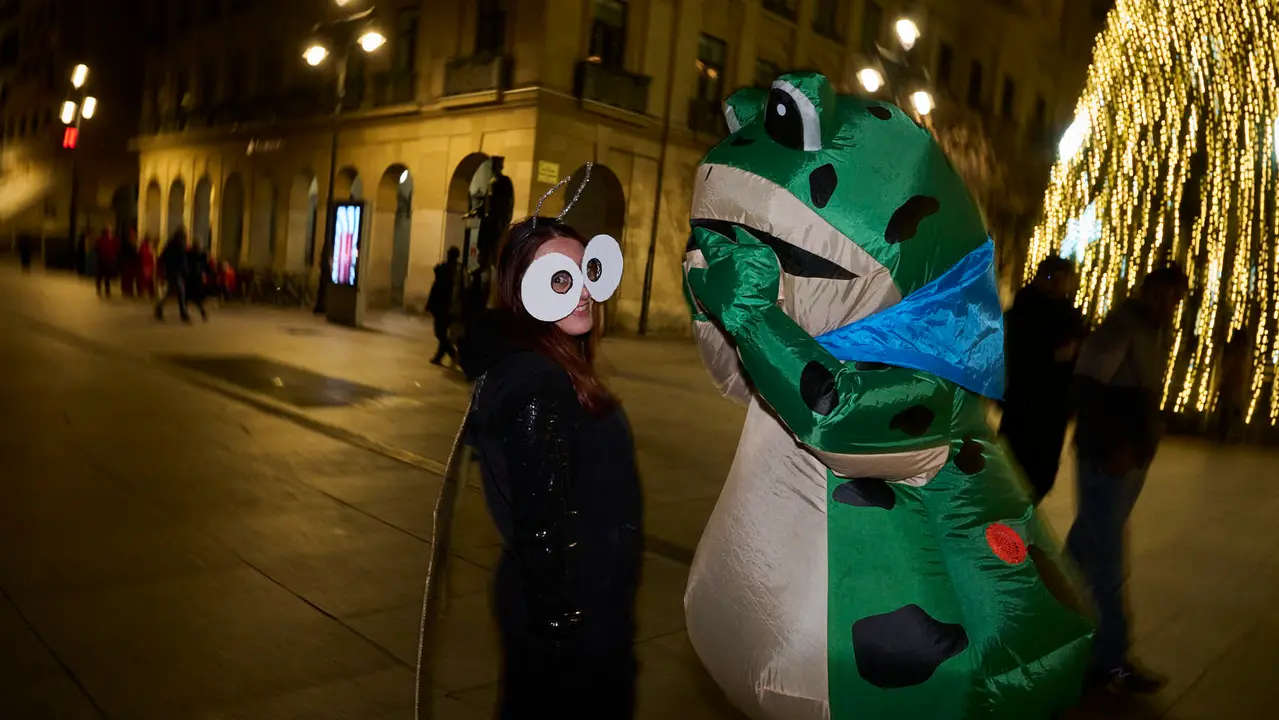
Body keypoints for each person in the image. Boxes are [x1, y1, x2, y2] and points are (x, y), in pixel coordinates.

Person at [458, 214, 642, 719]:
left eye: (586, 271)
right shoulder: (539, 386)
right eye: (559, 278)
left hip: (572, 613)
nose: (580, 290)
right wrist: (572, 646)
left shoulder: (541, 369)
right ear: (522, 291)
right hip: (570, 627)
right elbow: (542, 534)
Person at [1068, 262, 1189, 695]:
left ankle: (1045, 624)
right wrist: (1111, 446)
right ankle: (1113, 659)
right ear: (1147, 290)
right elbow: (1088, 385)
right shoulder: (1123, 326)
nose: (1168, 305)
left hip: (1127, 457)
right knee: (1106, 560)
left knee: (1085, 549)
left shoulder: (1152, 330)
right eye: (1163, 295)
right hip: (1111, 459)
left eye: (1175, 299)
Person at [1000, 255, 1087, 502]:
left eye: (1064, 279)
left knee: (1041, 472)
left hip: (1054, 407)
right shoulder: (1024, 311)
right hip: (1025, 402)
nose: (1058, 285)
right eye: (1052, 278)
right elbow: (1017, 353)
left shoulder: (1069, 314)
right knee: (1016, 469)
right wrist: (1051, 355)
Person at [426, 247, 461, 366]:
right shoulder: (455, 269)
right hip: (445, 305)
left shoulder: (449, 269)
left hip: (444, 306)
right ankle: (440, 356)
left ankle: (452, 353)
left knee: (440, 333)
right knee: (442, 332)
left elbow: (439, 285)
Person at [154, 228, 191, 322]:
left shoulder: (170, 244)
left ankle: (159, 308)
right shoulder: (180, 245)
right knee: (181, 292)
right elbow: (183, 261)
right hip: (176, 272)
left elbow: (162, 257)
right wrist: (186, 272)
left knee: (171, 292)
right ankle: (183, 313)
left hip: (170, 271)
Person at [185, 240, 211, 321]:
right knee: (191, 298)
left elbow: (205, 266)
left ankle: (200, 312)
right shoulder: (198, 255)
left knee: (189, 297)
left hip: (193, 278)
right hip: (194, 278)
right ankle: (201, 312)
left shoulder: (192, 254)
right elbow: (206, 266)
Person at [94, 226, 119, 298]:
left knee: (101, 276)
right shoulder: (110, 240)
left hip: (103, 260)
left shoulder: (100, 240)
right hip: (106, 260)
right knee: (105, 276)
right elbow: (116, 248)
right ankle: (106, 290)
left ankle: (102, 289)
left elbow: (96, 248)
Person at [118, 228, 140, 298]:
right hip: (127, 263)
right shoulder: (127, 244)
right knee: (126, 278)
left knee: (129, 278)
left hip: (131, 263)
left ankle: (129, 291)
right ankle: (126, 291)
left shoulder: (133, 244)